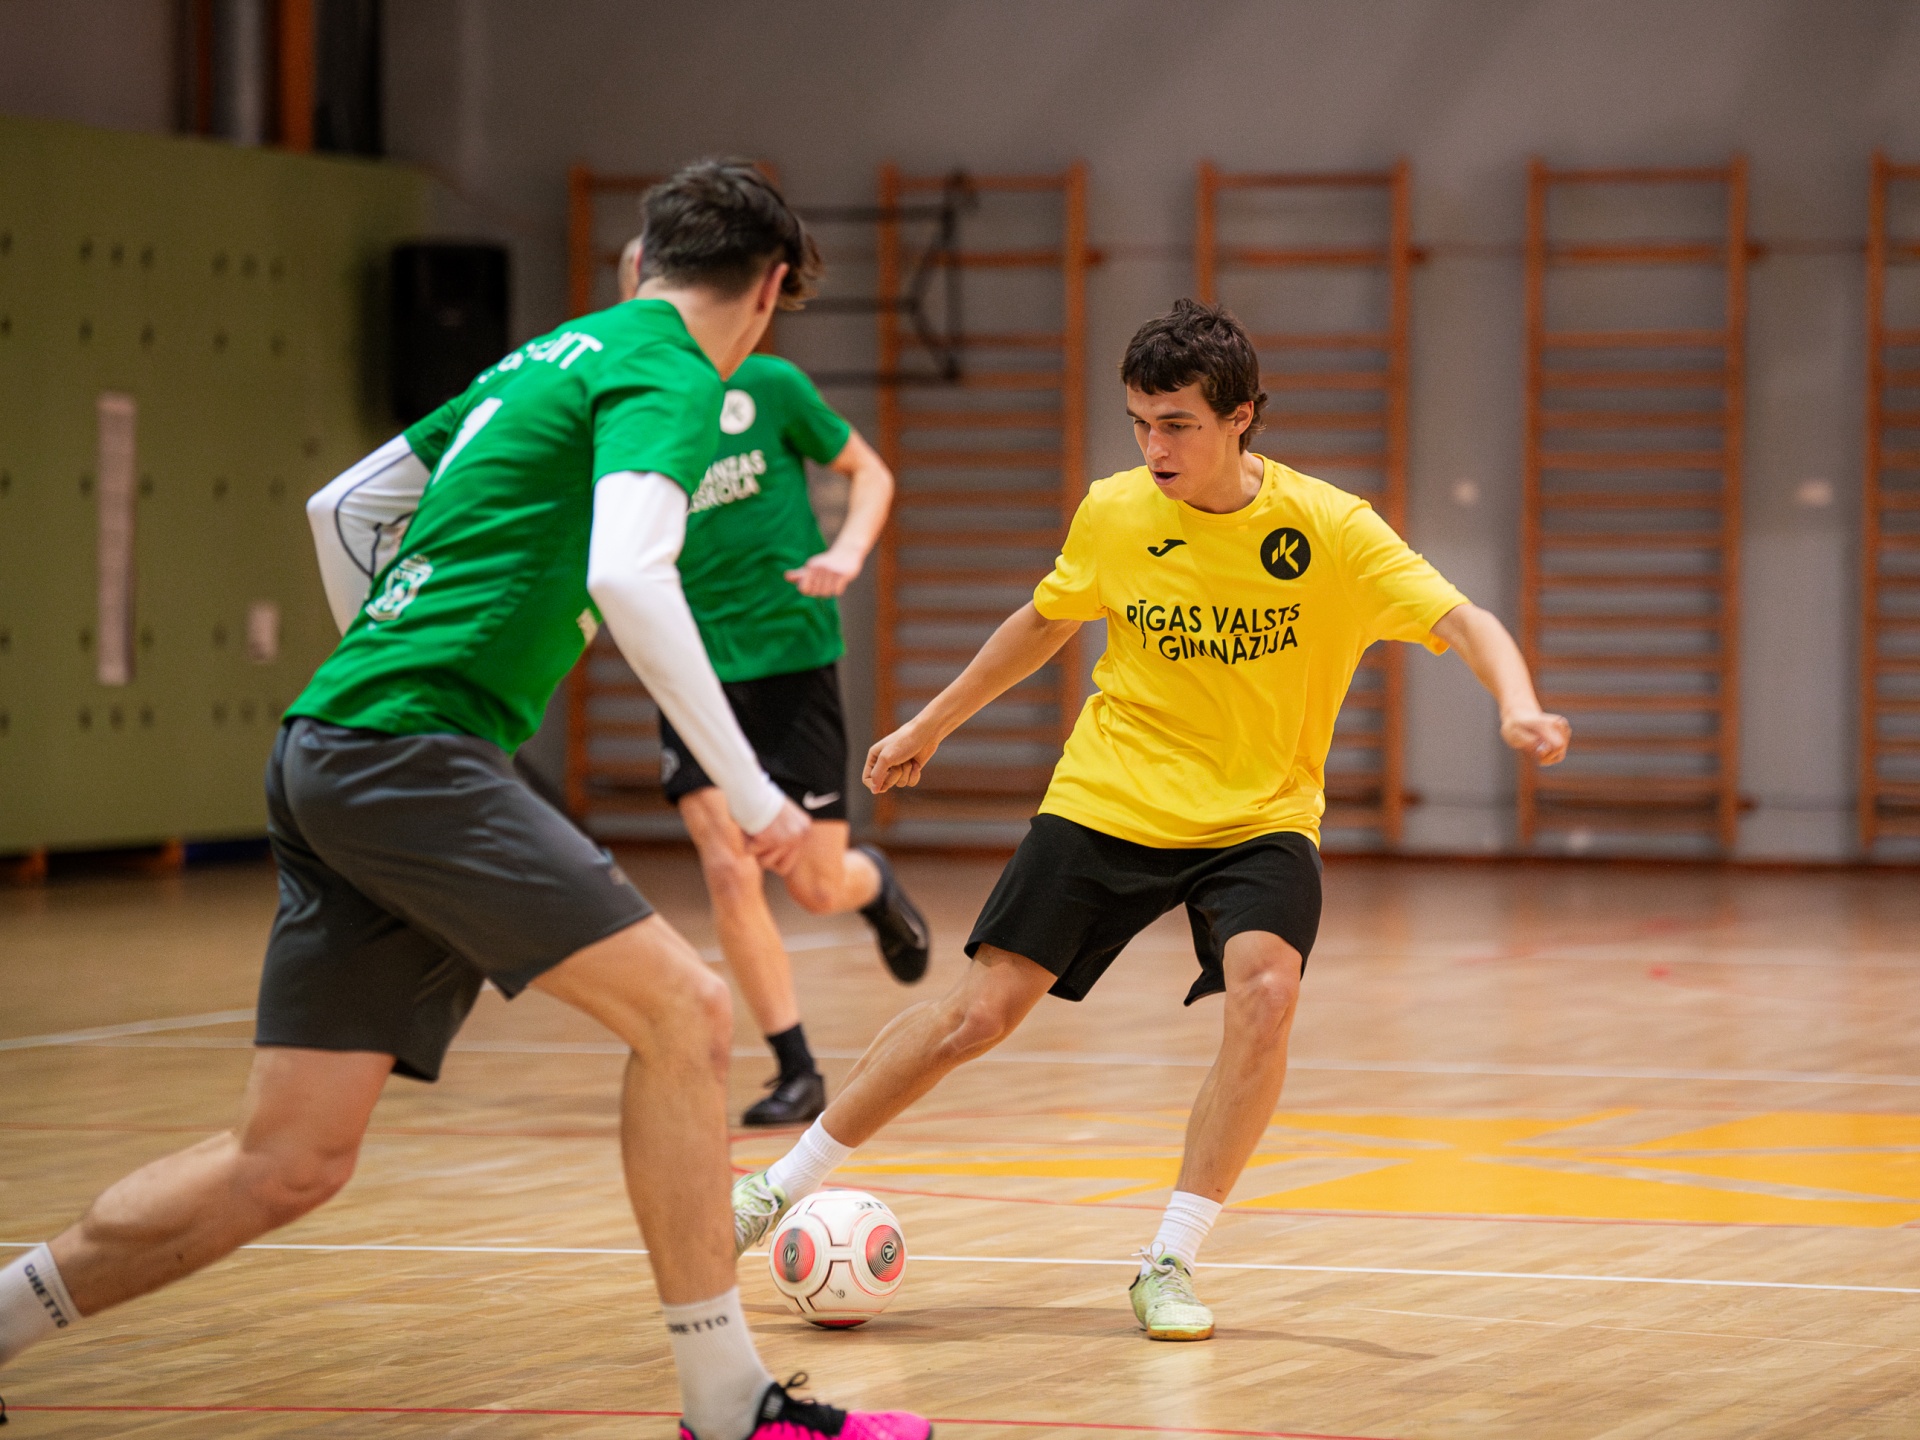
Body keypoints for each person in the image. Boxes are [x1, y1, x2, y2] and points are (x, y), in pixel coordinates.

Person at [0, 160, 929, 1440]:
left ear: (647, 259)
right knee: (687, 1014)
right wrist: (756, 793)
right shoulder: (670, 368)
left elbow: (344, 505)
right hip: (411, 756)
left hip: (333, 742)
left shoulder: (541, 358)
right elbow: (633, 575)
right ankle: (730, 1406)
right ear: (771, 289)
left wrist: (388, 657)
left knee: (288, 1163)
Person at [730, 299, 1572, 1343]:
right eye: (1139, 423)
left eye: (1177, 424)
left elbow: (1463, 619)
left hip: (1259, 814)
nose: (1154, 447)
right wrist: (930, 724)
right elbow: (1043, 622)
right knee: (977, 1017)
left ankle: (1169, 1259)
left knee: (1267, 992)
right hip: (1112, 795)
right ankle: (776, 1186)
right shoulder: (1116, 512)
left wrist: (1517, 702)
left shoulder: (1330, 530)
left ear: (1241, 417)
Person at [616, 240, 930, 1129]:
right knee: (728, 864)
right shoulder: (629, 408)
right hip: (690, 665)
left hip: (791, 657)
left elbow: (871, 472)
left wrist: (847, 551)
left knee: (815, 886)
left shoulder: (771, 387)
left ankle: (872, 882)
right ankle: (796, 1068)